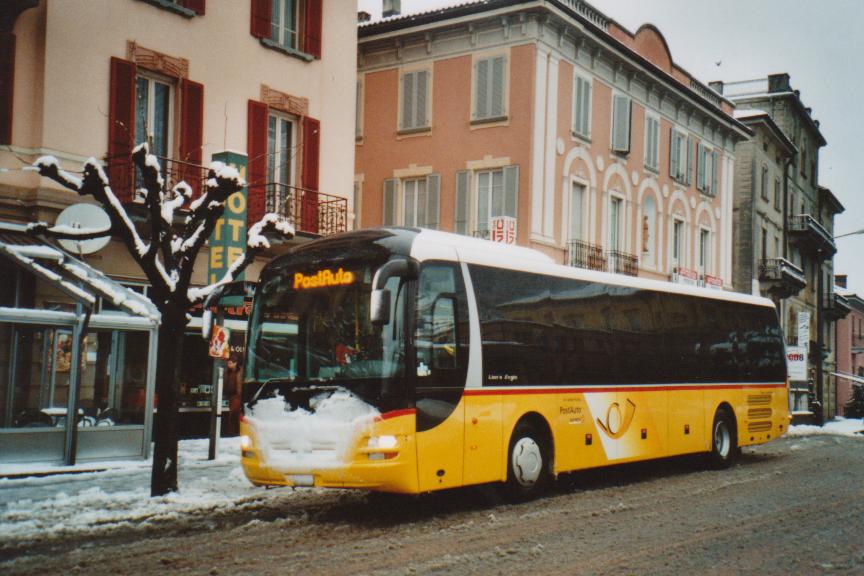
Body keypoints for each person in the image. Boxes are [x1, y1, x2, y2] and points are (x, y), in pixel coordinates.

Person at [224, 352, 244, 436]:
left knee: (235, 414)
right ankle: (232, 432)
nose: (229, 365)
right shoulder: (228, 372)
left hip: (238, 396)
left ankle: (235, 432)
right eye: (228, 363)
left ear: (235, 363)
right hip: (232, 396)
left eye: (230, 363)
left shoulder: (240, 371)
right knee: (232, 414)